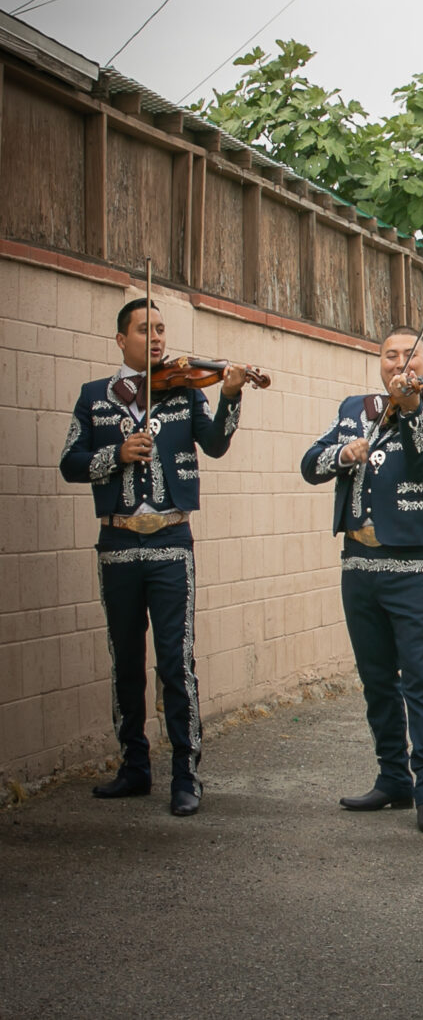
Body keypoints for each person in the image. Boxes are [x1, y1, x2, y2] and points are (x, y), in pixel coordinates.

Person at [59, 297, 255, 817]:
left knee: (175, 661)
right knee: (125, 660)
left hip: (171, 542)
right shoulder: (94, 399)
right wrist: (116, 455)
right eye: (146, 330)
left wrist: (230, 398)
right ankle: (133, 767)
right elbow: (69, 463)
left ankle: (186, 775)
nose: (158, 339)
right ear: (122, 340)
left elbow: (215, 445)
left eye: (163, 330)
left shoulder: (186, 391)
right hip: (118, 542)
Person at [301, 326, 423, 833]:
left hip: (415, 568)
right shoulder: (355, 409)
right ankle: (392, 778)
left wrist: (412, 408)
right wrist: (342, 455)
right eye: (390, 356)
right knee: (376, 680)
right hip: (359, 564)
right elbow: (310, 464)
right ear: (378, 363)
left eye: (410, 356)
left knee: (420, 680)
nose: (401, 364)